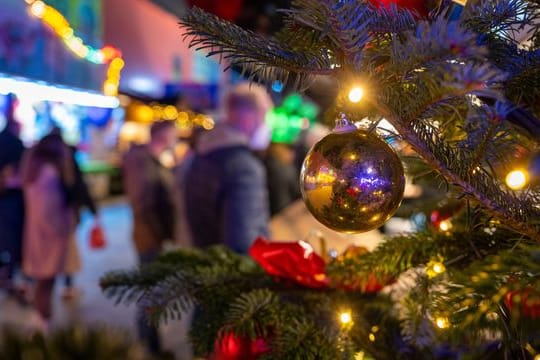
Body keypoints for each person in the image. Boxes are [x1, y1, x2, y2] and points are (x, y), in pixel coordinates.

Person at [184, 83, 272, 254]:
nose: (265, 125)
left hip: (203, 265)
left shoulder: (201, 154)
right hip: (229, 276)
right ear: (249, 117)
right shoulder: (244, 168)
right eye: (264, 116)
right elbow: (244, 245)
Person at [122, 120, 177, 355]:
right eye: (173, 134)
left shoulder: (152, 160)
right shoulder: (142, 161)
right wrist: (161, 232)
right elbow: (143, 202)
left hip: (154, 235)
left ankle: (151, 343)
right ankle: (150, 346)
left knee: (153, 290)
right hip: (149, 236)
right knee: (150, 291)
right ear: (163, 135)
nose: (175, 139)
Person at [21, 134, 79, 328]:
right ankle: (43, 320)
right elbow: (49, 210)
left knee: (43, 279)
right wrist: (65, 225)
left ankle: (43, 318)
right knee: (46, 280)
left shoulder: (34, 169)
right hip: (50, 236)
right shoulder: (48, 173)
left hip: (37, 234)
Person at [0, 94, 25, 294]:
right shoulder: (16, 144)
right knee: (12, 239)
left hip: (7, 198)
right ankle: (10, 276)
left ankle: (6, 275)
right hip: (11, 200)